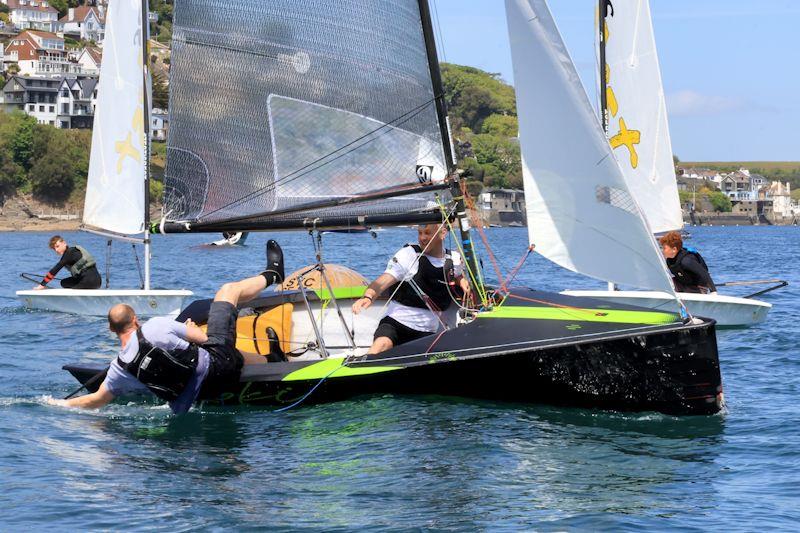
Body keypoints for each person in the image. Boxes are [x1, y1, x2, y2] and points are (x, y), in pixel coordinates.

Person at [48, 240, 286, 414]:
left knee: (222, 350)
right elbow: (205, 340)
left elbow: (96, 400)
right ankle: (273, 274)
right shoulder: (156, 326)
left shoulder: (118, 370)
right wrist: (192, 332)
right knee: (227, 292)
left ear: (112, 330)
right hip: (218, 368)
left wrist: (59, 403)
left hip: (198, 395)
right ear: (136, 320)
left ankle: (271, 359)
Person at [352, 224, 471, 354]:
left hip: (427, 332)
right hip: (396, 324)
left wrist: (462, 281)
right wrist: (368, 296)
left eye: (427, 233)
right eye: (420, 233)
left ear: (442, 233)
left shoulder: (453, 259)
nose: (422, 238)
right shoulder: (409, 255)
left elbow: (457, 274)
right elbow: (382, 281)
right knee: (381, 345)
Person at [33, 235, 102, 290]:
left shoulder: (68, 254)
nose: (56, 250)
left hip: (87, 281)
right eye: (54, 249)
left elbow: (54, 270)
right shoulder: (74, 250)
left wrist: (42, 285)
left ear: (64, 243)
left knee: (65, 284)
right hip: (98, 281)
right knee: (64, 282)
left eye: (57, 246)